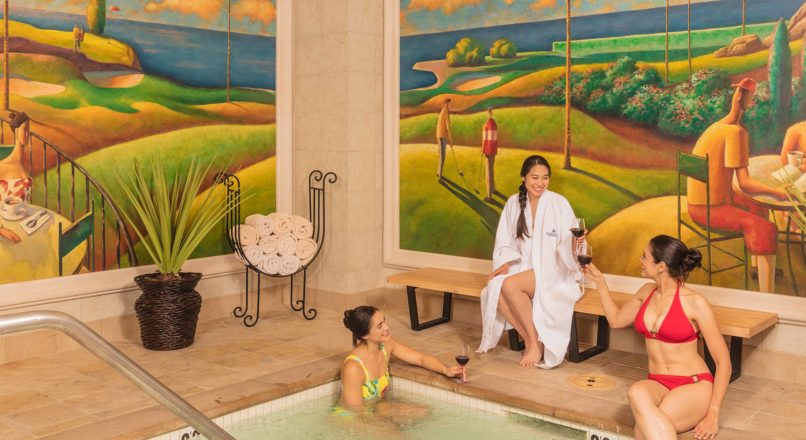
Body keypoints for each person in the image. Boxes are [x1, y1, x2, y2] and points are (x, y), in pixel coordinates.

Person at [583, 235, 730, 440]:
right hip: (657, 382)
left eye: (645, 256)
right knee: (636, 392)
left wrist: (713, 414)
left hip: (693, 384)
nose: (640, 260)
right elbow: (616, 321)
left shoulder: (694, 302)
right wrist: (600, 282)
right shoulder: (646, 292)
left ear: (661, 266)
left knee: (644, 428)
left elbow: (723, 362)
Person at [477, 155, 584, 367]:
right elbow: (504, 239)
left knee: (509, 285)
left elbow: (568, 245)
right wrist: (504, 262)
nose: (540, 183)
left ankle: (535, 344)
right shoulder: (513, 203)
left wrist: (576, 240)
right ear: (524, 178)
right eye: (535, 177)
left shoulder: (559, 203)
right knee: (493, 290)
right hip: (523, 268)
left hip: (554, 270)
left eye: (545, 178)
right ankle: (530, 338)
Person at [687, 77, 787, 293]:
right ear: (749, 101)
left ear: (736, 96)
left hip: (699, 202)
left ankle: (757, 267)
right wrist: (777, 192)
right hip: (710, 209)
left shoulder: (716, 127)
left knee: (760, 207)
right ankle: (766, 296)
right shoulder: (737, 133)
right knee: (766, 227)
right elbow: (746, 184)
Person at [339, 305, 465, 413]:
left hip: (376, 409)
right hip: (355, 419)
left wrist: (445, 370)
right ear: (365, 335)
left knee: (422, 412)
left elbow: (421, 358)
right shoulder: (353, 367)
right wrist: (388, 415)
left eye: (384, 321)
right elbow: (355, 411)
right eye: (379, 326)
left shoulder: (386, 346)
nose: (386, 327)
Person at [0, 112, 32, 245]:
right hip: (5, 231)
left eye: (29, 130)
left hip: (25, 225)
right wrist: (2, 230)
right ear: (16, 131)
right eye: (25, 130)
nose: (27, 135)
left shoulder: (25, 165)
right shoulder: (2, 166)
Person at [481, 107, 498, 202]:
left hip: (488, 150)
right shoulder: (494, 123)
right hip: (493, 150)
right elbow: (495, 140)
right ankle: (493, 189)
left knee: (488, 171)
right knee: (491, 169)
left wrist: (483, 151)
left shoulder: (486, 124)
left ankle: (489, 196)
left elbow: (485, 140)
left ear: (488, 113)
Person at [435, 98, 452, 180]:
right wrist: (450, 139)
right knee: (443, 156)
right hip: (442, 135)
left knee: (440, 154)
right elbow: (448, 126)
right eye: (448, 103)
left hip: (439, 135)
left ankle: (439, 172)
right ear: (445, 103)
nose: (449, 105)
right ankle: (440, 176)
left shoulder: (442, 111)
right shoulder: (446, 111)